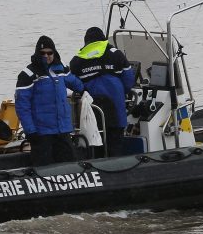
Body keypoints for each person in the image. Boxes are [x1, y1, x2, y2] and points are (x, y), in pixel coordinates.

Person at [15, 35, 84, 166]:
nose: (46, 56)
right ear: (37, 53)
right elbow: (22, 106)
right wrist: (30, 131)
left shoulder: (61, 68)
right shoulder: (28, 74)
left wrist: (87, 88)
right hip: (42, 133)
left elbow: (77, 84)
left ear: (54, 52)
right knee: (44, 168)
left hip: (62, 130)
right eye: (42, 53)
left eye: (49, 53)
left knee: (70, 166)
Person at [69, 27, 135, 157]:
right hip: (116, 110)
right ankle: (117, 170)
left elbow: (73, 83)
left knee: (94, 145)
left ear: (86, 42)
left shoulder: (77, 60)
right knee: (115, 144)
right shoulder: (116, 54)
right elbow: (129, 79)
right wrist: (123, 92)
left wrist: (83, 89)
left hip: (91, 112)